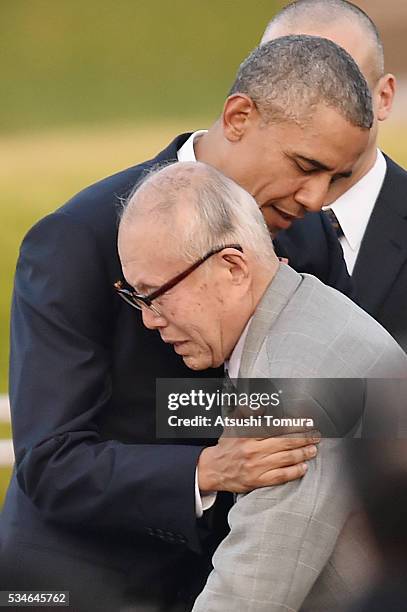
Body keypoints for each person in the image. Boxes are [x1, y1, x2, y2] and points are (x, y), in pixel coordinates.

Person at [0, 36, 371, 611]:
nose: (317, 198)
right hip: (83, 581)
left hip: (241, 570)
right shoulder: (77, 237)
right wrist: (208, 466)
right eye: (305, 166)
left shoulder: (308, 237)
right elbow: (51, 463)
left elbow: (335, 401)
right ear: (239, 116)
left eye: (337, 178)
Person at [117, 160, 407, 612]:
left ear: (233, 268)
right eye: (135, 295)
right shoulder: (302, 311)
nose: (149, 318)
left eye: (156, 294)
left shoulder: (292, 384)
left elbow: (248, 595)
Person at [262, 0, 407, 351]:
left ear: (384, 97)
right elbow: (181, 400)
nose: (310, 107)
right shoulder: (223, 223)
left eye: (340, 85)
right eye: (288, 84)